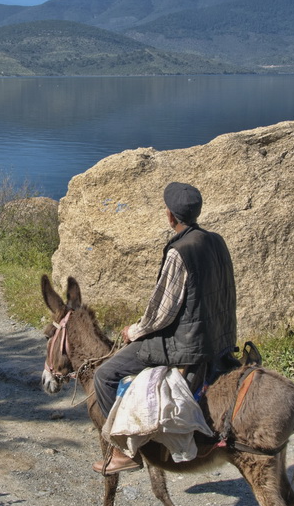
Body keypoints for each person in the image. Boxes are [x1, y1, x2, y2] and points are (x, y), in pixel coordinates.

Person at [92, 181, 237, 475]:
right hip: (220, 339)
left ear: (170, 216)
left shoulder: (179, 252)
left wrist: (134, 331)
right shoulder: (216, 240)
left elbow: (162, 312)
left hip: (187, 344)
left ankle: (124, 452)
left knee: (104, 375)